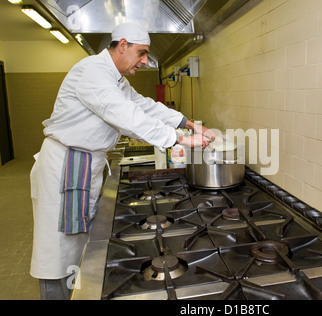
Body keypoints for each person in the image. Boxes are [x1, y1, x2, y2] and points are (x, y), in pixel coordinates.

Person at [29, 22, 214, 299]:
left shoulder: (116, 79)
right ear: (123, 44)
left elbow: (144, 106)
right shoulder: (92, 71)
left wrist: (188, 123)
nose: (144, 61)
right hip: (65, 166)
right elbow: (126, 116)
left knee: (79, 247)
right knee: (57, 252)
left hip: (84, 165)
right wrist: (180, 139)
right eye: (141, 53)